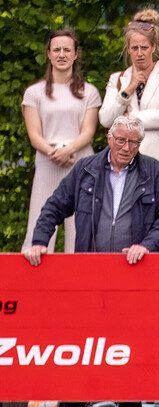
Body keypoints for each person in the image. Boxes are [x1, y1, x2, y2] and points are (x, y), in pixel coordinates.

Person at [23, 115, 159, 267]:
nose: (126, 148)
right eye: (121, 140)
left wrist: (146, 246)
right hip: (90, 266)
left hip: (137, 267)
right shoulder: (85, 169)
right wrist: (39, 242)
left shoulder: (157, 173)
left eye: (133, 142)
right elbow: (54, 206)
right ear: (109, 138)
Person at [99, 8, 159, 251]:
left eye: (144, 48)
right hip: (127, 170)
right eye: (134, 48)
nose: (139, 53)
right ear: (128, 49)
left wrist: (129, 121)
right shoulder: (118, 79)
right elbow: (106, 118)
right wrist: (128, 89)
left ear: (154, 47)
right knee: (128, 237)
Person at [21, 28, 101, 254]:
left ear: (76, 54)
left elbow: (88, 131)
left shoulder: (90, 92)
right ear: (48, 54)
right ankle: (34, 279)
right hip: (48, 162)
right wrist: (54, 152)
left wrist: (69, 150)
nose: (62, 54)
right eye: (56, 50)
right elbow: (34, 134)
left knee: (81, 224)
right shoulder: (34, 93)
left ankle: (81, 281)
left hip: (81, 163)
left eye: (67, 49)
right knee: (40, 216)